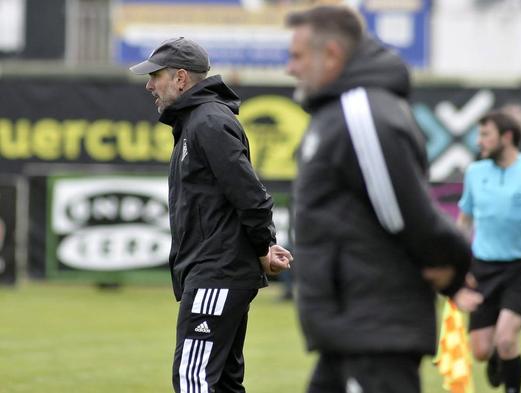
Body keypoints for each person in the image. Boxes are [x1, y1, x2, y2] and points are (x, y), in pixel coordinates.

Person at [285, 6, 482, 393]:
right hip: (353, 331)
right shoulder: (338, 111)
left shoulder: (359, 113)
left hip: (374, 332)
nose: (290, 67)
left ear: (332, 55)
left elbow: (404, 214)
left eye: (297, 56)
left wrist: (454, 264)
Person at [129, 37, 292, 393]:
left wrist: (264, 246)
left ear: (181, 79)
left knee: (194, 379)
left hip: (216, 274)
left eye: (155, 76)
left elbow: (252, 197)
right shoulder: (197, 122)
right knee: (223, 384)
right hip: (217, 272)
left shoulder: (208, 122)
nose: (149, 85)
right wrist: (263, 250)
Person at [457, 111, 521, 393]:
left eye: (485, 135)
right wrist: (456, 261)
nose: (480, 141)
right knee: (480, 350)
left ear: (506, 137)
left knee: (506, 339)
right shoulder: (475, 173)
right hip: (483, 268)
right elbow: (464, 221)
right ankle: (496, 359)